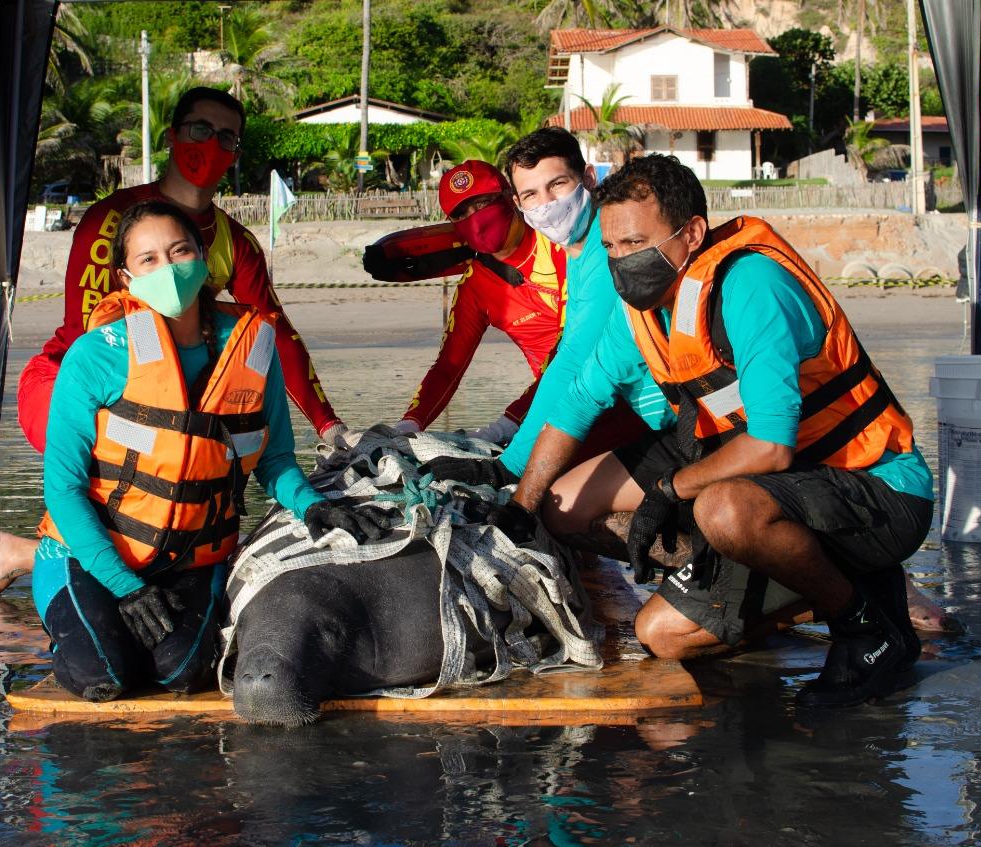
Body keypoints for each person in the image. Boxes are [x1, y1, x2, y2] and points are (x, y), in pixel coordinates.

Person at [485, 154, 935, 708]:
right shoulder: (644, 308)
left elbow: (770, 447)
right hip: (752, 473)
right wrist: (519, 507)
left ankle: (864, 620)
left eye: (637, 243)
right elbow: (579, 399)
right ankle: (768, 565)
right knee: (560, 504)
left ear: (692, 233)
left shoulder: (750, 287)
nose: (624, 261)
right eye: (612, 248)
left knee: (664, 627)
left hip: (869, 485)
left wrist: (671, 489)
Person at [0, 87, 349, 598]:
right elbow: (92, 336)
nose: (211, 144)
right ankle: (28, 554)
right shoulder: (111, 219)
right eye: (200, 129)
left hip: (180, 388)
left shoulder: (235, 242)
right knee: (119, 482)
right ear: (172, 135)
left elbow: (275, 335)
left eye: (227, 137)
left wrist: (328, 425)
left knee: (193, 471)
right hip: (70, 379)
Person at [33, 200, 390, 701]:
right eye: (149, 259)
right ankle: (57, 600)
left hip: (189, 560)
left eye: (179, 252)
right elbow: (63, 487)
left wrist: (315, 507)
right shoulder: (96, 355)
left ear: (202, 258)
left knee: (181, 675)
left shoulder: (254, 347)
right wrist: (125, 587)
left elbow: (276, 461)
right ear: (124, 276)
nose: (168, 268)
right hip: (90, 556)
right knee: (103, 679)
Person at [420, 128, 654, 487]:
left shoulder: (607, 247)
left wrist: (510, 459)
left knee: (551, 499)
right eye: (531, 193)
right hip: (587, 405)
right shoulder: (575, 248)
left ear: (589, 178)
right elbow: (449, 364)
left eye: (558, 184)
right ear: (518, 201)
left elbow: (575, 358)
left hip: (637, 412)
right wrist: (410, 424)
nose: (547, 204)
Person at [386, 160, 568, 444]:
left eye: (482, 203)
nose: (475, 217)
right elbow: (448, 367)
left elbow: (576, 345)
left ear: (511, 199)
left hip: (592, 382)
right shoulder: (475, 286)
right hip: (551, 406)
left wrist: (506, 424)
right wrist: (410, 423)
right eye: (461, 213)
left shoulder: (559, 243)